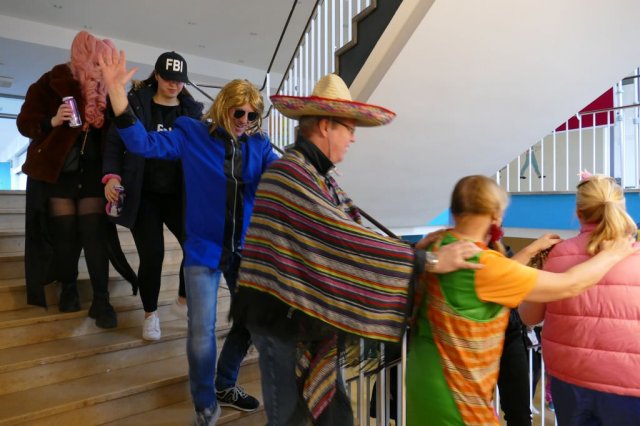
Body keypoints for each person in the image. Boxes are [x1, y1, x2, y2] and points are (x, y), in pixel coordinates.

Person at [231, 73, 485, 426]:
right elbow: (343, 239)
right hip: (279, 317)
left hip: (303, 319)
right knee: (291, 418)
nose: (353, 138)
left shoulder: (319, 178)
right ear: (325, 126)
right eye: (349, 129)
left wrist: (412, 248)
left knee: (331, 414)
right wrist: (428, 260)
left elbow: (353, 231)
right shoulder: (288, 175)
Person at [99, 49, 276, 426]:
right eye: (239, 113)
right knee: (201, 331)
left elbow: (284, 180)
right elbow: (141, 144)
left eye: (252, 115)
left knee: (252, 320)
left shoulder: (259, 146)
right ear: (224, 108)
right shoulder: (192, 132)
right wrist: (116, 94)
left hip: (244, 250)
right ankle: (205, 404)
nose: (245, 121)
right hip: (204, 249)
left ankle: (225, 383)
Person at [405, 175, 638, 426]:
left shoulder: (438, 245)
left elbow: (498, 283)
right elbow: (570, 284)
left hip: (422, 379)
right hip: (457, 395)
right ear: (496, 216)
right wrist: (612, 254)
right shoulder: (483, 264)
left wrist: (533, 250)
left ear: (453, 210)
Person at [16, 31, 123, 329]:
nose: (100, 66)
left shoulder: (108, 87)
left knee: (95, 235)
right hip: (59, 172)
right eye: (97, 60)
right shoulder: (51, 81)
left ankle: (101, 299)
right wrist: (51, 121)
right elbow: (24, 122)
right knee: (63, 236)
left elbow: (122, 129)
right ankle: (69, 287)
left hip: (95, 172)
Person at [519, 173, 640, 426]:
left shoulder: (557, 254)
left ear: (578, 213)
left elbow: (529, 317)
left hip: (569, 378)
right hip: (629, 384)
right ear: (621, 207)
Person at [103, 51, 203, 341]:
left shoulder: (192, 112)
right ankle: (150, 314)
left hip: (179, 194)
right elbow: (115, 143)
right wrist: (112, 176)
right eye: (168, 78)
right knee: (152, 254)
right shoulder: (135, 102)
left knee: (196, 245)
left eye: (179, 80)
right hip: (142, 193)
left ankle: (183, 299)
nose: (174, 85)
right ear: (157, 75)